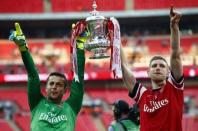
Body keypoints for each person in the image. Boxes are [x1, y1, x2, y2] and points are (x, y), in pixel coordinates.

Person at [9, 23, 87, 131]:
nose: (54, 87)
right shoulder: (36, 102)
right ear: (46, 88)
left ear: (65, 90)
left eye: (59, 85)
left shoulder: (72, 106)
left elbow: (79, 78)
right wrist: (23, 48)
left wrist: (80, 46)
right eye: (51, 83)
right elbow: (33, 75)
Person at [121, 6, 183, 131]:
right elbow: (124, 68)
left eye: (162, 66)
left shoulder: (174, 88)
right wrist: (117, 44)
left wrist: (174, 26)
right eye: (154, 66)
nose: (158, 68)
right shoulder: (143, 95)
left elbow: (175, 55)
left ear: (168, 72)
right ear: (148, 72)